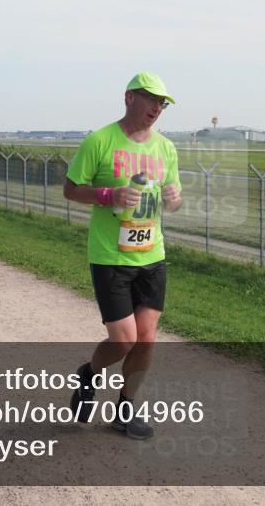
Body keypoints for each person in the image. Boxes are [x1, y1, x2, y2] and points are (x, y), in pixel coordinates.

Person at [62, 72, 183, 440]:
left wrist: (175, 200)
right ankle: (90, 374)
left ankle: (125, 410)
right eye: (151, 100)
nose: (157, 109)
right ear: (130, 98)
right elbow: (70, 189)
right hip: (111, 257)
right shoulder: (100, 141)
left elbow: (171, 197)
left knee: (146, 339)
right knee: (123, 340)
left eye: (162, 103)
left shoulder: (166, 148)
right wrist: (108, 196)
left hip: (152, 255)